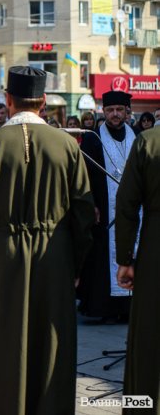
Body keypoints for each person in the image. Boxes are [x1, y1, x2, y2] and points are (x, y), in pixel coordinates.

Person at [0, 65, 95, 414]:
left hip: (3, 255)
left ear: (8, 99)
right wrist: (77, 264)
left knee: (6, 342)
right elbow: (83, 212)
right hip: (56, 252)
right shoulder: (67, 145)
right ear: (44, 101)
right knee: (52, 345)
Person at [78, 90, 136, 322]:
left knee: (132, 251)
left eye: (119, 110)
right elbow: (84, 175)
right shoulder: (93, 138)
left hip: (133, 211)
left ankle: (129, 307)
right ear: (103, 111)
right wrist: (91, 203)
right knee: (103, 257)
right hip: (103, 208)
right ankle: (105, 308)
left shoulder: (137, 136)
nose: (115, 114)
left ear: (126, 112)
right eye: (110, 110)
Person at [115, 123, 160, 413]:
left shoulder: (148, 141)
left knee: (149, 333)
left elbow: (127, 203)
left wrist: (125, 260)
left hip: (155, 246)